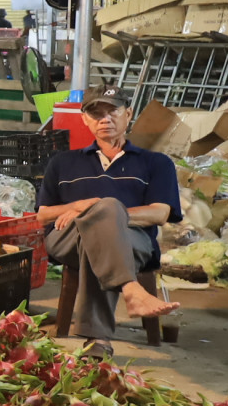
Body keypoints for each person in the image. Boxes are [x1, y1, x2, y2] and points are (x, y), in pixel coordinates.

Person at [37, 92, 182, 355]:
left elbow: (160, 213)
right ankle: (130, 290)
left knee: (103, 224)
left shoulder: (156, 162)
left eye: (113, 111)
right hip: (65, 237)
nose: (105, 119)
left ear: (128, 114)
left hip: (133, 239)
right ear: (85, 119)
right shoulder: (63, 162)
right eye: (96, 114)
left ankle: (98, 340)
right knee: (102, 221)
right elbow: (43, 215)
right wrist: (77, 206)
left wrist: (99, 209)